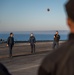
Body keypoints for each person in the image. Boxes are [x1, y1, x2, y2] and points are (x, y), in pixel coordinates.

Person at [38, 0, 74, 75]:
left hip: (59, 46)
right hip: (56, 42)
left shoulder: (51, 61)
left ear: (68, 22)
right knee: (54, 46)